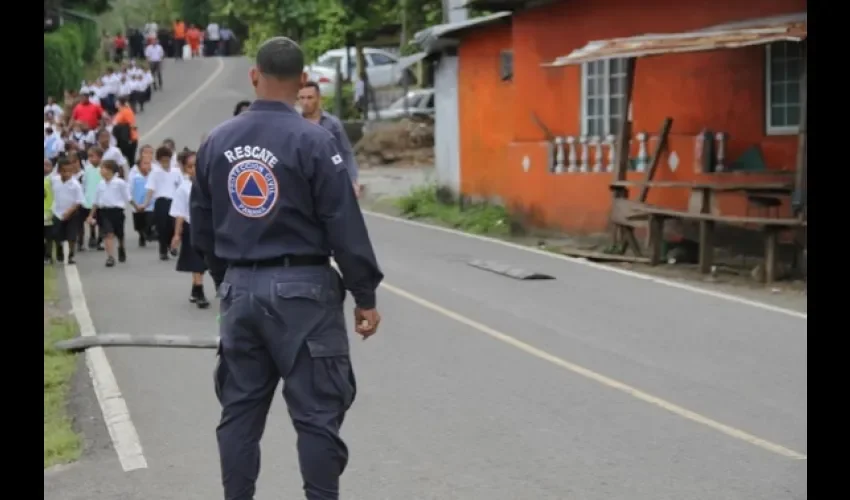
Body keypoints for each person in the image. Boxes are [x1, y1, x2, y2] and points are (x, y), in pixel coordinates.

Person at [189, 36, 384, 500]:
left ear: (254, 76)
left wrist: (227, 280)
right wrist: (365, 296)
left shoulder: (216, 142)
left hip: (239, 288)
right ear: (301, 83)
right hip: (304, 291)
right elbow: (343, 222)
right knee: (316, 416)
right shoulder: (315, 141)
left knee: (239, 413)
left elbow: (202, 224)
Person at [298, 81, 361, 197]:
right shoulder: (295, 124)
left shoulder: (332, 124)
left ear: (318, 98)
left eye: (309, 98)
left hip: (330, 182)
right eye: (301, 98)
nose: (305, 102)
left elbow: (346, 152)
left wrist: (353, 180)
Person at [169, 150, 210, 308]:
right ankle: (200, 292)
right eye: (190, 166)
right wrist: (177, 234)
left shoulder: (208, 185)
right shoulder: (183, 189)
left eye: (196, 166)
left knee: (205, 261)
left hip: (206, 226)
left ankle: (194, 289)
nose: (193, 169)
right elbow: (179, 213)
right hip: (191, 227)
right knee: (196, 260)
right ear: (185, 169)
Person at [87, 160, 132, 267]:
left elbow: (128, 197)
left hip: (117, 211)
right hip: (104, 212)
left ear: (111, 170)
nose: (101, 171)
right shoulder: (100, 184)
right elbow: (96, 201)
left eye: (103, 168)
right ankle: (110, 257)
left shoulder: (120, 183)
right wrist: (90, 215)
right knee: (108, 234)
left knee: (119, 233)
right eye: (101, 168)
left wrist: (136, 206)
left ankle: (121, 247)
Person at [140, 146, 182, 260]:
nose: (165, 163)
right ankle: (163, 250)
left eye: (167, 160)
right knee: (162, 227)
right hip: (161, 202)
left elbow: (181, 187)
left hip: (173, 201)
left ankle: (172, 245)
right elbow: (150, 189)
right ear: (158, 161)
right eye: (162, 161)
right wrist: (145, 204)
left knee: (173, 226)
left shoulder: (176, 172)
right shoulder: (155, 173)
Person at [51, 156, 85, 265]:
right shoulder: (54, 181)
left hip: (72, 213)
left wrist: (69, 211)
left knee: (71, 235)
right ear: (59, 171)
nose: (68, 173)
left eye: (70, 171)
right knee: (56, 234)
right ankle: (59, 249)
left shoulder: (75, 185)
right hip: (57, 212)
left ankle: (71, 255)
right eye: (64, 171)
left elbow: (78, 201)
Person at [44, 159, 55, 263]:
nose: (44, 167)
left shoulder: (53, 179)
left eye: (47, 165)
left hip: (49, 212)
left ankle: (48, 256)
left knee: (49, 237)